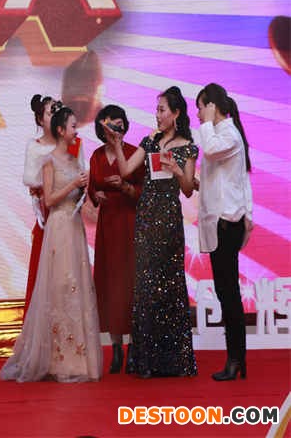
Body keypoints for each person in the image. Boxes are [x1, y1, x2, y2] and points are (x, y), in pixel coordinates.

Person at [0, 107, 102, 383]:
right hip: (58, 226)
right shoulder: (48, 162)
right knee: (59, 286)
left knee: (77, 285)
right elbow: (50, 200)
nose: (76, 131)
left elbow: (78, 196)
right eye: (72, 126)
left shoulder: (74, 160)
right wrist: (73, 185)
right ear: (60, 130)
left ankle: (79, 358)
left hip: (75, 227)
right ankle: (58, 359)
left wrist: (85, 189)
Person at [104, 86, 198, 378]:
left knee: (169, 285)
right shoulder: (150, 140)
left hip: (169, 220)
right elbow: (127, 170)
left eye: (161, 110)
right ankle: (146, 360)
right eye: (156, 110)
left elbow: (188, 189)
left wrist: (176, 168)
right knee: (145, 285)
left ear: (176, 113)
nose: (157, 115)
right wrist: (117, 144)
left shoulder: (188, 146)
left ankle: (173, 361)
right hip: (146, 218)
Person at [196, 83, 253, 381]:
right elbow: (232, 181)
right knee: (224, 291)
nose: (198, 114)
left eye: (201, 107)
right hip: (221, 222)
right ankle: (236, 358)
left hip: (227, 223)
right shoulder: (221, 134)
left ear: (213, 106)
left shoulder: (227, 133)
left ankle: (235, 359)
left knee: (228, 292)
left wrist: (207, 123)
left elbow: (211, 150)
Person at [88, 105, 143, 374]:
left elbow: (143, 190)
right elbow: (91, 186)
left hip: (130, 224)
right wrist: (95, 195)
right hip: (107, 226)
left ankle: (133, 347)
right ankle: (116, 348)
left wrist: (125, 187)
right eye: (110, 125)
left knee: (130, 284)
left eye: (119, 124)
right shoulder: (97, 155)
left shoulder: (134, 153)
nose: (115, 130)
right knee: (109, 285)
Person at [22, 96, 84, 318]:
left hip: (70, 213)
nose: (55, 115)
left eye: (57, 111)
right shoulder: (35, 147)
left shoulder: (74, 145)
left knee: (70, 272)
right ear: (40, 119)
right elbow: (32, 182)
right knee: (45, 271)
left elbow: (80, 176)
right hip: (47, 215)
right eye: (50, 113)